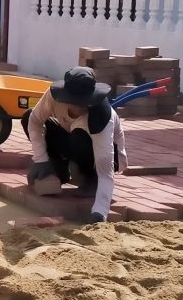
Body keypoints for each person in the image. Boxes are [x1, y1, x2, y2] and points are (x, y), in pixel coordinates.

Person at [24, 67, 126, 225]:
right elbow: (34, 121)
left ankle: (92, 178)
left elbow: (106, 172)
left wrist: (99, 213)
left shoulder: (101, 118)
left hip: (104, 155)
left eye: (84, 102)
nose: (79, 107)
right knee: (27, 116)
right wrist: (41, 159)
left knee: (79, 136)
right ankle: (58, 168)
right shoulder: (53, 97)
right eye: (74, 102)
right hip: (73, 138)